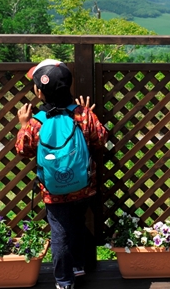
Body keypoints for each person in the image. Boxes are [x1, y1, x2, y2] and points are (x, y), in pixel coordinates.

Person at [15, 59, 108, 289]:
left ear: (39, 91)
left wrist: (23, 125)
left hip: (53, 191)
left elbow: (23, 150)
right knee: (76, 224)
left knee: (59, 234)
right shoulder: (82, 115)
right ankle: (78, 266)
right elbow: (101, 139)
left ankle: (64, 281)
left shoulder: (37, 122)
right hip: (83, 186)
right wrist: (87, 114)